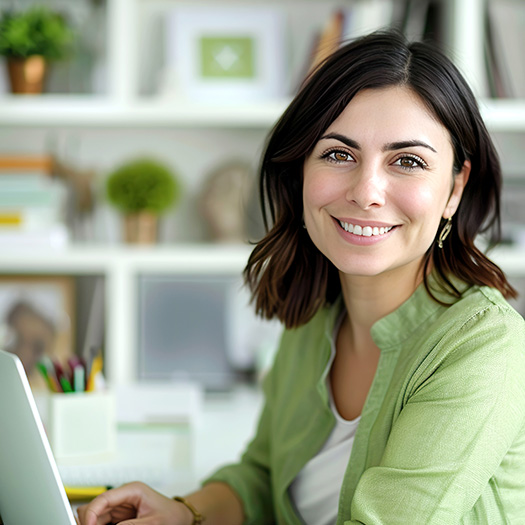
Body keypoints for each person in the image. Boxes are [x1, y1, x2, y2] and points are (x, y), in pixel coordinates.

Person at [77, 30, 525, 525]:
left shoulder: (485, 347)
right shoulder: (315, 314)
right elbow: (263, 476)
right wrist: (185, 512)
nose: (366, 191)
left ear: (454, 189)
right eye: (338, 153)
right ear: (301, 169)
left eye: (408, 162)